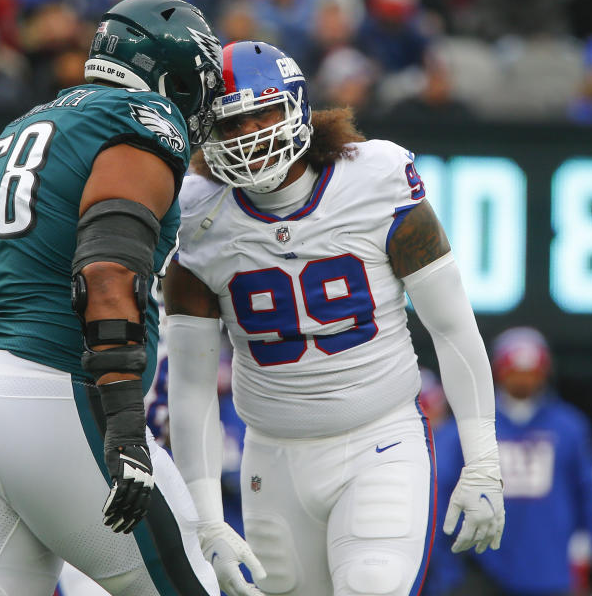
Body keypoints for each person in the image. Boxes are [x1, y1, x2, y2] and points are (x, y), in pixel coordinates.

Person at [163, 40, 505, 596]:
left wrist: (483, 461)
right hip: (271, 457)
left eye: (263, 113)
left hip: (381, 439)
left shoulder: (374, 178)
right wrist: (204, 516)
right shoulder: (198, 212)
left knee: (372, 585)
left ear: (297, 107)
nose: (249, 134)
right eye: (232, 122)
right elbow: (192, 382)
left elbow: (451, 325)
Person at [0, 0, 225, 595]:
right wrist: (124, 428)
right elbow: (107, 270)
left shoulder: (32, 123)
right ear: (167, 76)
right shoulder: (144, 121)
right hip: (55, 398)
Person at [438, 327, 592, 596]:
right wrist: (447, 569)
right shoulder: (467, 427)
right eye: (515, 370)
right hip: (481, 569)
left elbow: (587, 496)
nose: (523, 379)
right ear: (498, 371)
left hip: (549, 570)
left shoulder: (569, 427)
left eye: (531, 371)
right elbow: (443, 491)